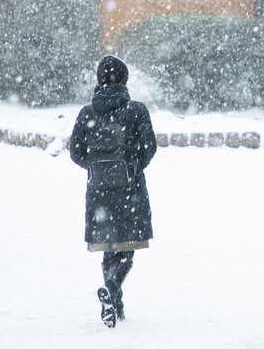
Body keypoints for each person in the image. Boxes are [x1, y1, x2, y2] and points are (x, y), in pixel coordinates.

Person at [69, 55, 157, 327]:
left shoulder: (87, 113)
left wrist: (97, 169)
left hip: (99, 193)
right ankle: (113, 290)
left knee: (109, 245)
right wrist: (131, 167)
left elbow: (75, 151)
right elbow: (149, 146)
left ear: (99, 80)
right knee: (126, 246)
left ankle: (113, 298)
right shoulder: (136, 110)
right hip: (129, 190)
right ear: (124, 79)